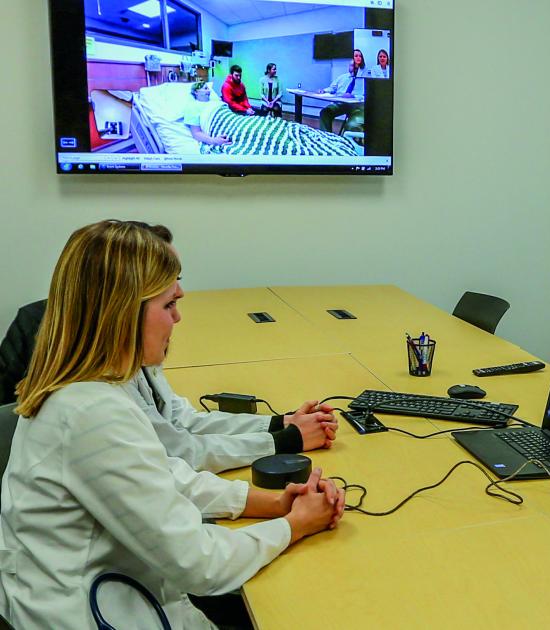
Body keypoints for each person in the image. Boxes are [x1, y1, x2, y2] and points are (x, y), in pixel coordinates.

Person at [0, 220, 346, 628]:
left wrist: (272, 502)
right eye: (168, 305)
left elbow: (167, 476)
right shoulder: (90, 413)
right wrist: (295, 525)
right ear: (121, 314)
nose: (178, 318)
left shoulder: (86, 389)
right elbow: (199, 563)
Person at [0, 221, 338, 473]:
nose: (177, 317)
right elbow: (177, 456)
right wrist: (284, 443)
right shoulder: (92, 405)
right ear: (126, 305)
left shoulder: (127, 364)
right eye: (167, 301)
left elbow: (180, 425)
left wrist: (278, 424)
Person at [318, 54, 366, 133]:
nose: (353, 67)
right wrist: (324, 90)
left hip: (356, 107)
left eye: (355, 65)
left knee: (352, 125)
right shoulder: (342, 77)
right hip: (341, 104)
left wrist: (353, 96)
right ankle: (327, 137)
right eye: (351, 65)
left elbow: (366, 96)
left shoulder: (364, 79)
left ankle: (345, 142)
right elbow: (333, 88)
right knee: (325, 112)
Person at [182, 82, 232, 147]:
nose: (209, 91)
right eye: (205, 88)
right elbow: (196, 133)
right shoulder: (193, 106)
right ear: (196, 92)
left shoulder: (217, 102)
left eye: (208, 88)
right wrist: (213, 141)